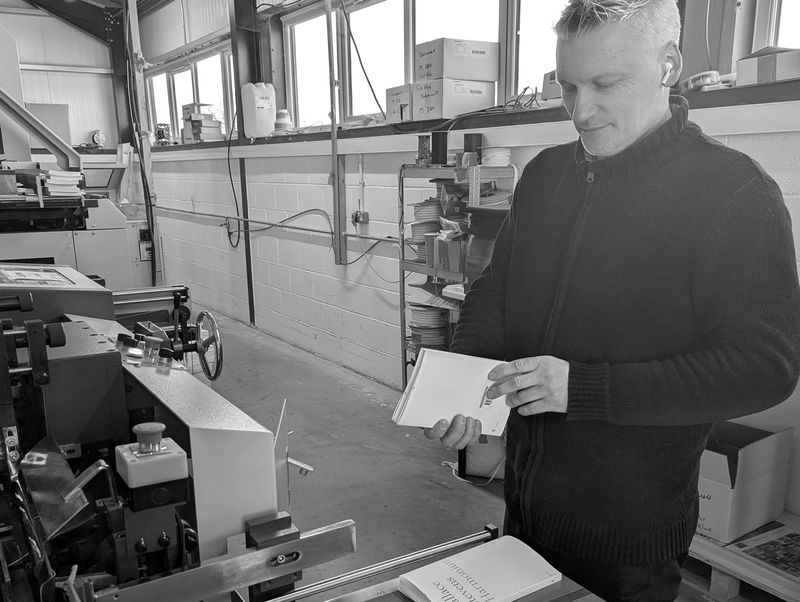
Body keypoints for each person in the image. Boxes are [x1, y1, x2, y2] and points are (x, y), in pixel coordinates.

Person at [424, 1, 800, 600]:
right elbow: (496, 290)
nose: (580, 109)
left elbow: (765, 369)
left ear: (669, 66)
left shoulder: (734, 195)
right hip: (524, 507)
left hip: (630, 537)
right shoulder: (547, 175)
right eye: (568, 86)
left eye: (605, 84)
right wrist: (467, 378)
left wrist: (583, 388)